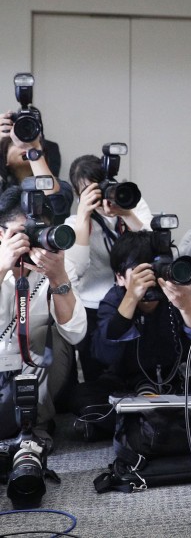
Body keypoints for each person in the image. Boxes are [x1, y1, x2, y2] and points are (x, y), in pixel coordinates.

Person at [69, 231, 191, 438]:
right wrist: (131, 298)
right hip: (127, 386)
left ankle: (139, 424)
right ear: (119, 277)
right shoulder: (115, 299)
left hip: (178, 382)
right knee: (81, 397)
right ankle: (175, 423)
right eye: (140, 272)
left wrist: (186, 306)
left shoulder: (182, 291)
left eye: (155, 270)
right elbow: (102, 354)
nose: (150, 279)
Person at [0, 186, 87, 449]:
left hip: (34, 364)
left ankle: (36, 423)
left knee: (58, 339)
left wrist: (58, 278)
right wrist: (3, 267)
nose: (30, 242)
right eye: (20, 234)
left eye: (37, 233)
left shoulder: (57, 263)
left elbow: (76, 333)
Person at [64, 154, 153, 383]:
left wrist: (126, 213)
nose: (102, 195)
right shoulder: (74, 224)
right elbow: (78, 269)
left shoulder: (133, 204)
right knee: (100, 374)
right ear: (79, 195)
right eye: (91, 190)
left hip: (136, 300)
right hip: (93, 308)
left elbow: (152, 248)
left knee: (138, 369)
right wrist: (84, 217)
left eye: (103, 186)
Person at [0, 117, 72, 224]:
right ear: (4, 158)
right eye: (15, 143)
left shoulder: (61, 186)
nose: (23, 145)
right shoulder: (2, 188)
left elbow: (54, 203)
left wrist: (32, 149)